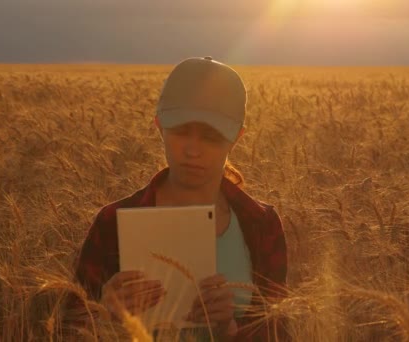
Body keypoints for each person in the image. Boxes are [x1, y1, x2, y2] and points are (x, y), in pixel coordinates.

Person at [71, 56, 289, 341]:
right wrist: (103, 316)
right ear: (160, 126)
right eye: (181, 131)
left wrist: (229, 331)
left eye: (211, 136)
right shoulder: (112, 223)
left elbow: (278, 332)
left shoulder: (260, 224)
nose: (193, 150)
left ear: (236, 137)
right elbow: (68, 329)